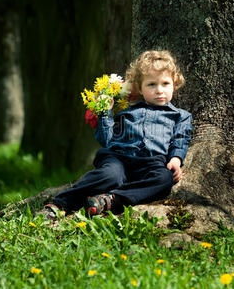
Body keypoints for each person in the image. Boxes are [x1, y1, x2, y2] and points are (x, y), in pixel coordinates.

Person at [40, 50, 192, 218]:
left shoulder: (180, 116)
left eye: (165, 83)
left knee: (164, 179)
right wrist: (105, 112)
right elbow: (106, 140)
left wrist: (176, 159)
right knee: (109, 175)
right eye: (151, 84)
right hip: (118, 157)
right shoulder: (126, 111)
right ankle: (59, 204)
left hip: (152, 161)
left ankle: (111, 199)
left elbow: (181, 139)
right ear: (139, 88)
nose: (159, 90)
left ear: (174, 84)